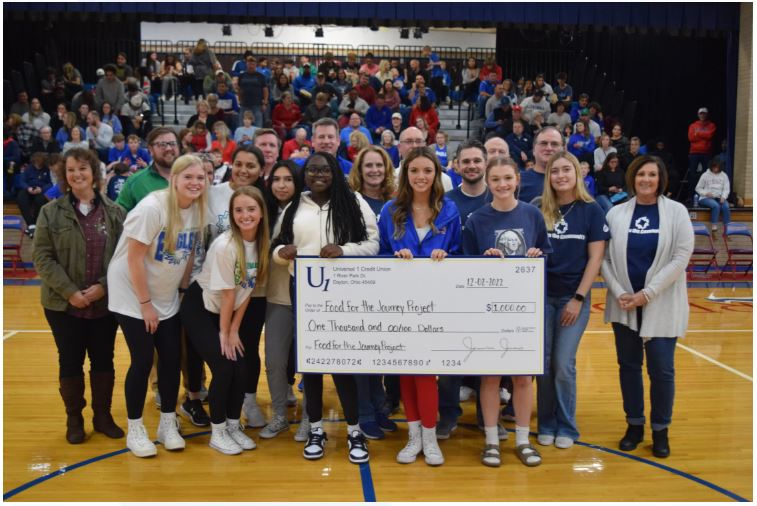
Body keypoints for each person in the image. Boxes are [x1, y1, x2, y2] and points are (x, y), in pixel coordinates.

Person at [272, 151, 379, 464]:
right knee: (313, 366)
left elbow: (373, 244)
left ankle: (354, 430)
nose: (318, 175)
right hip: (305, 293)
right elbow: (275, 247)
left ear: (335, 172)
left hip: (346, 292)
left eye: (325, 170)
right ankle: (316, 428)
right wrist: (282, 252)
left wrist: (343, 250)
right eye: (312, 170)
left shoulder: (354, 201)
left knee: (343, 365)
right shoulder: (294, 205)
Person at [106, 154, 207, 458]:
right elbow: (134, 258)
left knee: (172, 357)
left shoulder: (198, 208)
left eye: (200, 178)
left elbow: (189, 252)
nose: (195, 183)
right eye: (188, 177)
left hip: (166, 293)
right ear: (173, 179)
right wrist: (145, 304)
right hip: (132, 293)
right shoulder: (152, 208)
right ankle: (136, 429)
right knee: (141, 359)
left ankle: (167, 422)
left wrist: (182, 288)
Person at [601, 156, 694, 459]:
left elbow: (681, 256)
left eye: (652, 174)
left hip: (661, 304)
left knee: (662, 370)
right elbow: (604, 258)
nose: (646, 179)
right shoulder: (615, 213)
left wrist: (648, 293)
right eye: (641, 173)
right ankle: (634, 425)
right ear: (632, 177)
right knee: (628, 367)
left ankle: (660, 430)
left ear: (660, 179)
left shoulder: (676, 212)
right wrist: (620, 292)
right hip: (624, 304)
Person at [33, 147, 127, 445]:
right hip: (63, 306)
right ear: (64, 176)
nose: (77, 174)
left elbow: (123, 258)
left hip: (105, 303)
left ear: (95, 173)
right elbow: (43, 258)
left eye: (83, 168)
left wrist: (103, 286)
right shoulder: (50, 212)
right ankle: (74, 418)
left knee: (104, 360)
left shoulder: (116, 212)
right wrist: (70, 292)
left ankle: (103, 416)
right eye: (71, 170)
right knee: (70, 361)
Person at [462, 155, 551, 468]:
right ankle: (490, 441)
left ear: (517, 180)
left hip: (523, 311)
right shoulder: (476, 220)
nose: (502, 185)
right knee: (489, 379)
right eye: (496, 179)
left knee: (523, 378)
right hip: (488, 311)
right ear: (488, 182)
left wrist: (536, 254)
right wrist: (485, 260)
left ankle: (523, 440)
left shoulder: (532, 215)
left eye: (507, 179)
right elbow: (465, 269)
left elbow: (545, 255)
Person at [376, 146, 460, 466]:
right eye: (414, 171)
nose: (421, 176)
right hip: (398, 304)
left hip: (436, 305)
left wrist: (447, 257)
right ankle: (414, 437)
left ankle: (429, 435)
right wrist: (394, 258)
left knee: (425, 373)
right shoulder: (389, 211)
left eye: (427, 171)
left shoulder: (449, 210)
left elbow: (460, 254)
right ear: (405, 175)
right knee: (406, 373)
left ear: (436, 175)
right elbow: (381, 254)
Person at [180, 186, 268, 455]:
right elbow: (228, 295)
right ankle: (217, 432)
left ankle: (232, 425)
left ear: (262, 212)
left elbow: (248, 290)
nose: (245, 215)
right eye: (238, 210)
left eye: (251, 209)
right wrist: (225, 333)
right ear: (231, 214)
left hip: (227, 312)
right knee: (225, 367)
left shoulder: (261, 244)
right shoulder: (225, 246)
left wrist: (235, 329)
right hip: (200, 308)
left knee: (241, 367)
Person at [536, 151, 608, 450]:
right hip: (540, 297)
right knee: (543, 363)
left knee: (564, 363)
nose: (561, 176)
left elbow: (596, 258)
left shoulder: (592, 209)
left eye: (567, 170)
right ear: (548, 177)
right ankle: (546, 424)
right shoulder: (537, 208)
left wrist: (578, 297)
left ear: (577, 174)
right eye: (555, 171)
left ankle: (567, 425)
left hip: (572, 296)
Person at [260, 160, 305, 440]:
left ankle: (311, 418)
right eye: (276, 179)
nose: (281, 185)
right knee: (274, 360)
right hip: (276, 296)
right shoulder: (263, 209)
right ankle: (278, 415)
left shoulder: (309, 210)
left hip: (309, 297)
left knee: (309, 362)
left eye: (288, 179)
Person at [116, 128, 179, 212]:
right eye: (162, 144)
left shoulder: (193, 178)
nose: (168, 148)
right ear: (151, 149)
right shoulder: (135, 182)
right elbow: (117, 215)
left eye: (172, 143)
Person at [519, 126, 563, 204]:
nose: (549, 148)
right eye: (543, 143)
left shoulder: (572, 181)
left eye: (554, 144)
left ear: (562, 149)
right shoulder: (518, 181)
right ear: (533, 149)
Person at [686, 107, 716, 203]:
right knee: (692, 175)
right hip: (694, 153)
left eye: (704, 113)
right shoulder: (693, 125)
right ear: (698, 115)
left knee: (706, 175)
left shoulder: (711, 125)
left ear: (707, 115)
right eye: (701, 114)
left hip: (706, 153)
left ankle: (704, 196)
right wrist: (703, 134)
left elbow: (710, 135)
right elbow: (691, 138)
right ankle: (691, 196)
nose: (702, 115)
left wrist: (698, 133)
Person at [695, 159, 731, 233]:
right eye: (714, 167)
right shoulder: (705, 175)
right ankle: (714, 225)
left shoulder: (724, 175)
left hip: (719, 197)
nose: (715, 169)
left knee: (726, 206)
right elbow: (698, 188)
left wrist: (723, 197)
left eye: (717, 168)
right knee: (715, 205)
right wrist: (706, 193)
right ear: (711, 167)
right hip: (706, 198)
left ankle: (727, 227)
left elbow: (726, 189)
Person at [238, 57, 270, 128]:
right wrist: (239, 100)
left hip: (257, 105)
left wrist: (265, 103)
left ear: (256, 65)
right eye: (249, 64)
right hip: (244, 104)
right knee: (241, 125)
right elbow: (240, 89)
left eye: (253, 64)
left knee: (258, 126)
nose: (251, 66)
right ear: (246, 64)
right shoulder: (242, 76)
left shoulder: (260, 76)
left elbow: (265, 90)